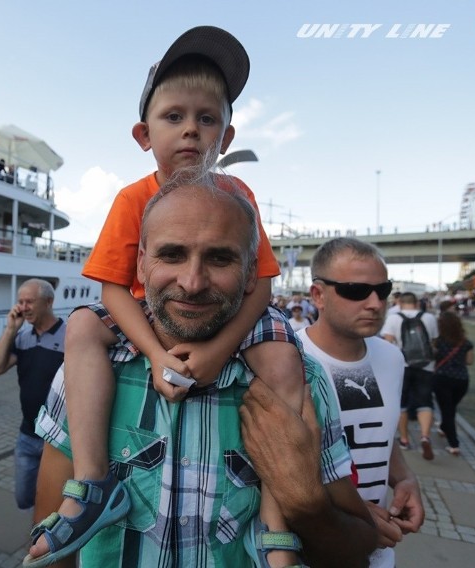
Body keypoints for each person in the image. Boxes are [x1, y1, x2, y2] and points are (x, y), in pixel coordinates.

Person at [52, 26, 310, 567]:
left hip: (230, 315)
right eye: (174, 117)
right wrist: (154, 352)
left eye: (206, 118)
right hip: (153, 318)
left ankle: (275, 519)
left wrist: (220, 351)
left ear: (227, 135)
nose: (191, 130)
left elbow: (260, 282)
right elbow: (115, 287)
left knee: (285, 357)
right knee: (80, 326)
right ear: (144, 135)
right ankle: (92, 483)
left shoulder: (240, 196)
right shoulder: (133, 198)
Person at [28, 176, 376, 567]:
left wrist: (306, 502)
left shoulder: (303, 379)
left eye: (220, 258)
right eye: (172, 255)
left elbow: (359, 549)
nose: (192, 283)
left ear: (250, 274)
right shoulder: (89, 371)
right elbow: (56, 542)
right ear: (141, 264)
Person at [300, 238, 424, 567]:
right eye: (355, 290)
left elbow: (373, 431)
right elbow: (272, 466)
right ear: (318, 295)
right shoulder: (287, 359)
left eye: (383, 290)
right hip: (308, 550)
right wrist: (352, 512)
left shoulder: (390, 357)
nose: (374, 303)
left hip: (378, 553)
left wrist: (405, 479)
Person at [0, 279, 65, 510]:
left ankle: (40, 539)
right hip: (27, 435)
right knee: (23, 498)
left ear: (49, 302)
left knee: (53, 501)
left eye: (29, 301)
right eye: (20, 302)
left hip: (58, 436)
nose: (23, 307)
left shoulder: (70, 336)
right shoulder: (22, 338)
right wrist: (11, 329)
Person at [381, 292, 439, 460]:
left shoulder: (393, 318)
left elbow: (387, 342)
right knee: (425, 402)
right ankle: (425, 436)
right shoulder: (429, 317)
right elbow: (434, 342)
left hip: (402, 365)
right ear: (416, 303)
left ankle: (405, 439)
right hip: (426, 366)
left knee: (402, 403)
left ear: (400, 302)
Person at [432, 311, 474, 456]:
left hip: (442, 378)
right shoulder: (466, 342)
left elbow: (431, 356)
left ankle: (454, 443)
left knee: (447, 410)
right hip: (462, 380)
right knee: (451, 408)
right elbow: (469, 361)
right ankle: (444, 427)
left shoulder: (438, 341)